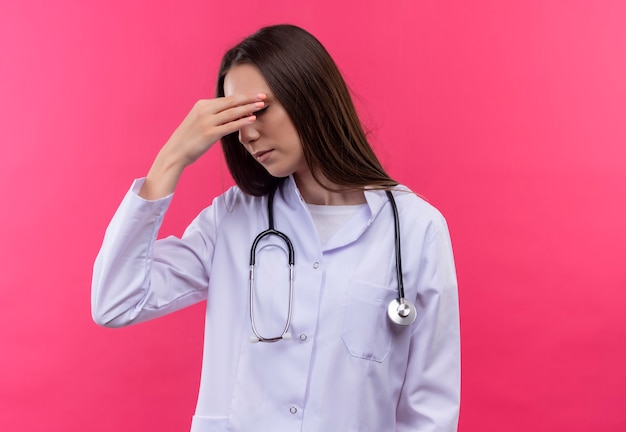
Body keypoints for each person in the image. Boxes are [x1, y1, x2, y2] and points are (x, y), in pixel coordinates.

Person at [92, 24, 460, 432]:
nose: (248, 134)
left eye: (259, 111)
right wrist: (171, 159)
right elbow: (116, 301)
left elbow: (430, 408)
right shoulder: (234, 219)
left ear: (311, 98)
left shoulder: (415, 229)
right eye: (236, 120)